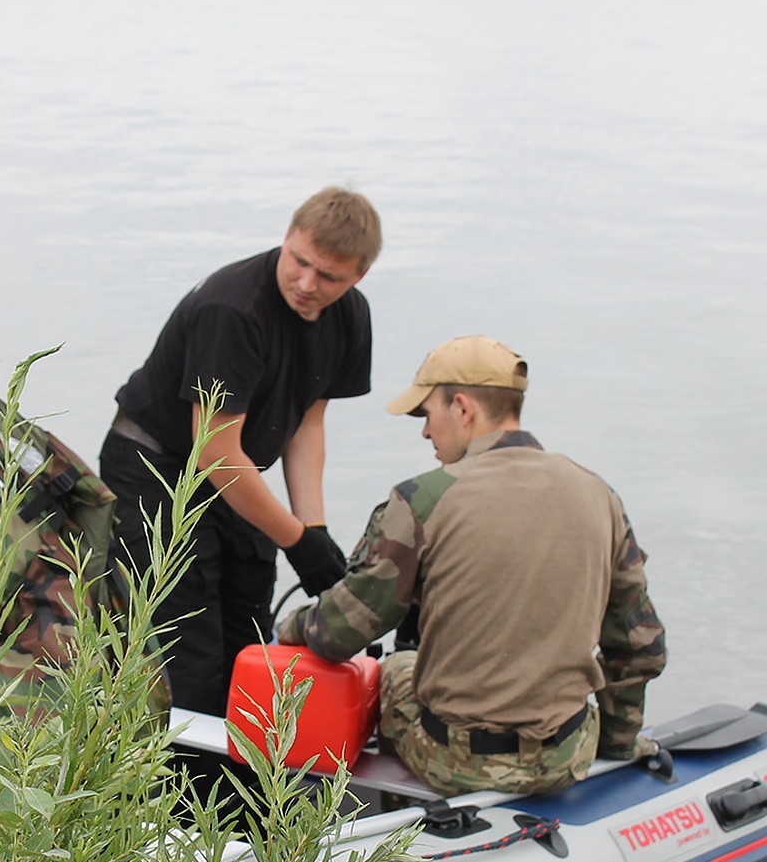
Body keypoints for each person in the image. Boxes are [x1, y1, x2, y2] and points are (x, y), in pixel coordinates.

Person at [277, 335, 666, 795]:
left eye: (427, 415)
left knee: (400, 665)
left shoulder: (421, 498)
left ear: (462, 408)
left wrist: (294, 626)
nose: (425, 432)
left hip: (455, 763)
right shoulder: (598, 494)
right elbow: (640, 646)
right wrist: (618, 746)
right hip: (567, 755)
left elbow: (339, 633)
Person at [100, 187, 382, 716]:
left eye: (328, 277)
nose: (306, 283)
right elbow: (216, 453)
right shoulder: (233, 309)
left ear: (358, 276)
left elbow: (307, 425)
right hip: (155, 466)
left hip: (234, 471)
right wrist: (297, 540)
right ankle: (176, 792)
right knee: (190, 652)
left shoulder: (350, 318)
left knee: (250, 629)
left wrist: (313, 528)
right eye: (299, 261)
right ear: (287, 238)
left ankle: (243, 789)